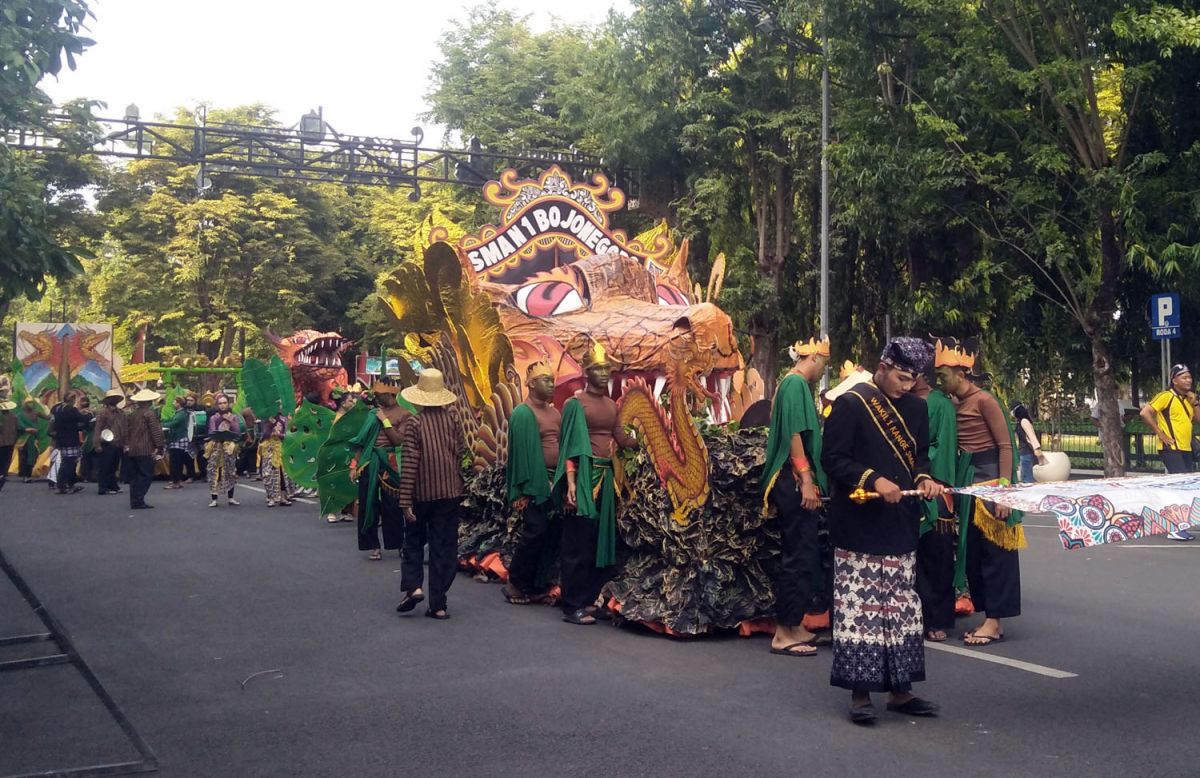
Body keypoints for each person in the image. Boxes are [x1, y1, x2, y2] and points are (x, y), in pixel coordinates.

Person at [821, 337, 944, 725]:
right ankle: (860, 695)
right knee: (862, 610)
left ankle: (900, 692)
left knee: (903, 609)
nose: (905, 386)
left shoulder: (917, 409)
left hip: (899, 524)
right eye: (901, 377)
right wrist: (873, 479)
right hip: (858, 524)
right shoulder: (851, 403)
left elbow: (920, 458)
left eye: (912, 380)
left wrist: (925, 480)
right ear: (884, 366)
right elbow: (833, 459)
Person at [936, 337, 1022, 647]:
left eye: (943, 374)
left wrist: (1004, 493)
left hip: (989, 487)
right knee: (973, 557)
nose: (939, 380)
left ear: (961, 373)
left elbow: (1005, 446)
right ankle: (989, 619)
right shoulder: (952, 405)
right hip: (968, 486)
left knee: (995, 557)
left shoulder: (985, 400)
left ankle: (995, 622)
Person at [553, 343, 639, 626]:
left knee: (597, 542)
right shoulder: (574, 404)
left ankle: (589, 600)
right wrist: (571, 482)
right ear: (587, 373)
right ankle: (572, 605)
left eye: (606, 369)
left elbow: (621, 438)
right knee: (577, 542)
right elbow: (568, 445)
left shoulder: (611, 405)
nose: (604, 374)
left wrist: (648, 438)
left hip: (607, 478)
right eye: (598, 369)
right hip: (583, 477)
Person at [761, 336, 831, 657]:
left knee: (804, 553)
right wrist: (805, 479)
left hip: (797, 478)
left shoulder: (793, 385)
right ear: (813, 358)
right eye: (824, 362)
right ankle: (783, 633)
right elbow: (794, 435)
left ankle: (795, 625)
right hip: (793, 479)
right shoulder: (795, 385)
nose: (823, 369)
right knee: (797, 554)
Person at [397, 369, 467, 620]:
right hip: (449, 492)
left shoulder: (414, 423)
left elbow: (410, 463)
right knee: (443, 547)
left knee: (414, 541)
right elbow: (461, 451)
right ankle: (439, 605)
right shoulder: (453, 419)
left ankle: (414, 587)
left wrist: (405, 501)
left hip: (421, 494)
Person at [502, 361, 562, 605]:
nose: (552, 384)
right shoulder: (522, 414)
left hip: (554, 481)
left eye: (552, 379)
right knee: (533, 533)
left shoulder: (555, 412)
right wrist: (526, 489)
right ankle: (516, 583)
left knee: (551, 535)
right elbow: (521, 456)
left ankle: (536, 584)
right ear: (531, 384)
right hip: (534, 484)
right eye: (546, 380)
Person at [913, 356, 959, 643]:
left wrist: (921, 472)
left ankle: (936, 618)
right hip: (901, 486)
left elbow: (941, 447)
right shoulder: (893, 401)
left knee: (937, 556)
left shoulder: (939, 403)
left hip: (933, 487)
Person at [350, 379, 410, 558]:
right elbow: (362, 442)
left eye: (380, 395)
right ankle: (372, 545)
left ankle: (398, 543)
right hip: (368, 462)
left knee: (392, 506)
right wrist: (354, 465)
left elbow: (398, 440)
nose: (377, 398)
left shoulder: (404, 414)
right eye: (376, 395)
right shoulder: (372, 414)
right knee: (368, 504)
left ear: (391, 395)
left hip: (389, 463)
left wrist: (385, 421)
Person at [1140, 364, 1197, 541]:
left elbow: (1198, 419)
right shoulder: (1166, 396)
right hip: (1171, 448)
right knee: (1182, 487)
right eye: (1184, 377)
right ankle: (1175, 527)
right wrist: (1160, 433)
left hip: (1185, 448)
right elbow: (1145, 412)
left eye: (1189, 377)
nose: (1188, 380)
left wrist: (1195, 402)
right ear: (1174, 380)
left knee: (1186, 487)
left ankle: (1179, 525)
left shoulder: (1185, 400)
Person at [125, 388, 165, 509]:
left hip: (133, 449)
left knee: (135, 476)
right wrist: (159, 446)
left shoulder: (132, 414)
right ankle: (139, 499)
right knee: (146, 475)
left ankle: (134, 499)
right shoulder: (149, 414)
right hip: (145, 448)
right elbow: (156, 432)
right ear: (149, 402)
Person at [205, 393, 242, 507]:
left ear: (228, 403)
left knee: (230, 471)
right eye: (220, 403)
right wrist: (222, 420)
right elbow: (211, 432)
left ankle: (231, 497)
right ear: (217, 405)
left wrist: (230, 422)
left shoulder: (233, 417)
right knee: (213, 472)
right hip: (216, 447)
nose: (222, 405)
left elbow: (237, 432)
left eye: (224, 403)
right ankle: (214, 499)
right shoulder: (214, 417)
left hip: (228, 447)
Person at [51, 391, 89, 494]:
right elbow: (81, 418)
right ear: (72, 400)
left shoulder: (58, 409)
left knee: (65, 462)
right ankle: (65, 485)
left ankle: (64, 484)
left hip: (61, 439)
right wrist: (88, 415)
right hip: (71, 439)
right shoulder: (71, 410)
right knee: (69, 463)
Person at [93, 389, 127, 495]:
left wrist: (126, 443)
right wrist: (97, 444)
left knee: (114, 466)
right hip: (107, 443)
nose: (115, 400)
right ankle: (103, 487)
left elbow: (125, 428)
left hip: (118, 443)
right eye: (112, 398)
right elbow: (98, 429)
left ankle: (113, 486)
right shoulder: (103, 413)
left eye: (116, 398)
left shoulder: (121, 412)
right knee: (105, 466)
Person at [259, 410, 295, 507]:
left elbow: (289, 435)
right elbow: (263, 435)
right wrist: (270, 427)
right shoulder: (266, 418)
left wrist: (280, 435)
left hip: (281, 448)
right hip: (268, 449)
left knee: (283, 474)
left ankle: (283, 497)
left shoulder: (285, 418)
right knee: (268, 474)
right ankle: (271, 497)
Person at [1010, 402, 1046, 483]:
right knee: (1025, 476)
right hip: (1024, 452)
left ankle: (1032, 493)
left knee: (1027, 478)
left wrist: (1036, 448)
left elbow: (1031, 435)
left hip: (1026, 452)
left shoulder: (1024, 421)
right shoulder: (1021, 421)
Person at [163, 396, 191, 490]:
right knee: (177, 461)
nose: (173, 403)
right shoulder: (180, 413)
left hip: (178, 440)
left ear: (179, 403)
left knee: (175, 462)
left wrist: (161, 424)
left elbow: (173, 423)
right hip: (177, 439)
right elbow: (171, 421)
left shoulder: (181, 414)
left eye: (174, 402)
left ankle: (175, 482)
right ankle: (177, 481)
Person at [77, 396, 96, 482]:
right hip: (91, 435)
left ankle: (84, 475)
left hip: (84, 435)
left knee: (85, 457)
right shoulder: (92, 413)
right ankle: (91, 475)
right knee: (91, 457)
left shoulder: (79, 413)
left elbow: (79, 427)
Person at [237, 405, 259, 478]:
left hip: (255, 432)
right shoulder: (246, 411)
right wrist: (246, 434)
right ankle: (242, 469)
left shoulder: (258, 410)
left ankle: (251, 469)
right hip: (248, 432)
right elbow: (241, 422)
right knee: (245, 451)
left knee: (253, 451)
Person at [0, 399, 17, 492]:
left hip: (1, 443)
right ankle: (2, 476)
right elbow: (18, 428)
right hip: (10, 443)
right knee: (6, 462)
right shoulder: (14, 417)